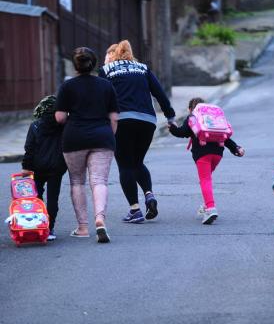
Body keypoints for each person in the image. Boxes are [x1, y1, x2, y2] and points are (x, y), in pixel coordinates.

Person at [99, 40, 176, 223]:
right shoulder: (142, 68)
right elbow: (159, 93)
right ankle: (149, 195)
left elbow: (100, 97)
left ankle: (135, 210)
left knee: (125, 165)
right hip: (147, 121)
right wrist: (170, 116)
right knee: (137, 162)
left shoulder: (106, 71)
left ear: (113, 55)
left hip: (122, 120)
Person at [55, 47, 118, 243]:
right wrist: (108, 135)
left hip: (75, 138)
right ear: (94, 63)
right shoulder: (106, 86)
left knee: (77, 181)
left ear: (75, 65)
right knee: (99, 180)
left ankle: (83, 228)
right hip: (102, 137)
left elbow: (59, 117)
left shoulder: (67, 86)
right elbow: (114, 118)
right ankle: (100, 219)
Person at [168, 97, 244, 224]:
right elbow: (225, 137)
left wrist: (172, 128)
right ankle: (205, 205)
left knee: (205, 180)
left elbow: (182, 132)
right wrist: (236, 148)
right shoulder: (212, 119)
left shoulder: (193, 117)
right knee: (207, 179)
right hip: (218, 155)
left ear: (190, 109)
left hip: (202, 154)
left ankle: (210, 208)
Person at [21, 95, 67, 241]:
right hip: (57, 167)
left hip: (37, 167)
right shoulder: (63, 125)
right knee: (53, 198)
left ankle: (37, 226)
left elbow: (29, 148)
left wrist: (26, 167)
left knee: (37, 198)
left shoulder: (35, 125)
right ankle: (50, 228)